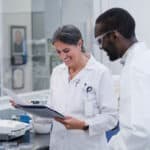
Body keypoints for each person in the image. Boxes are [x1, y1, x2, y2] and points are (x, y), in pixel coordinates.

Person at [48, 24, 118, 150]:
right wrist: (29, 108)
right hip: (58, 145)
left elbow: (111, 118)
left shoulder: (100, 73)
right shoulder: (57, 73)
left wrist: (83, 125)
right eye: (58, 52)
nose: (63, 57)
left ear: (79, 44)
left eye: (66, 50)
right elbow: (50, 109)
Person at [95, 7, 150, 150]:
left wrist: (108, 147)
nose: (100, 47)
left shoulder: (134, 68)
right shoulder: (144, 58)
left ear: (114, 36)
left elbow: (138, 132)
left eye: (100, 41)